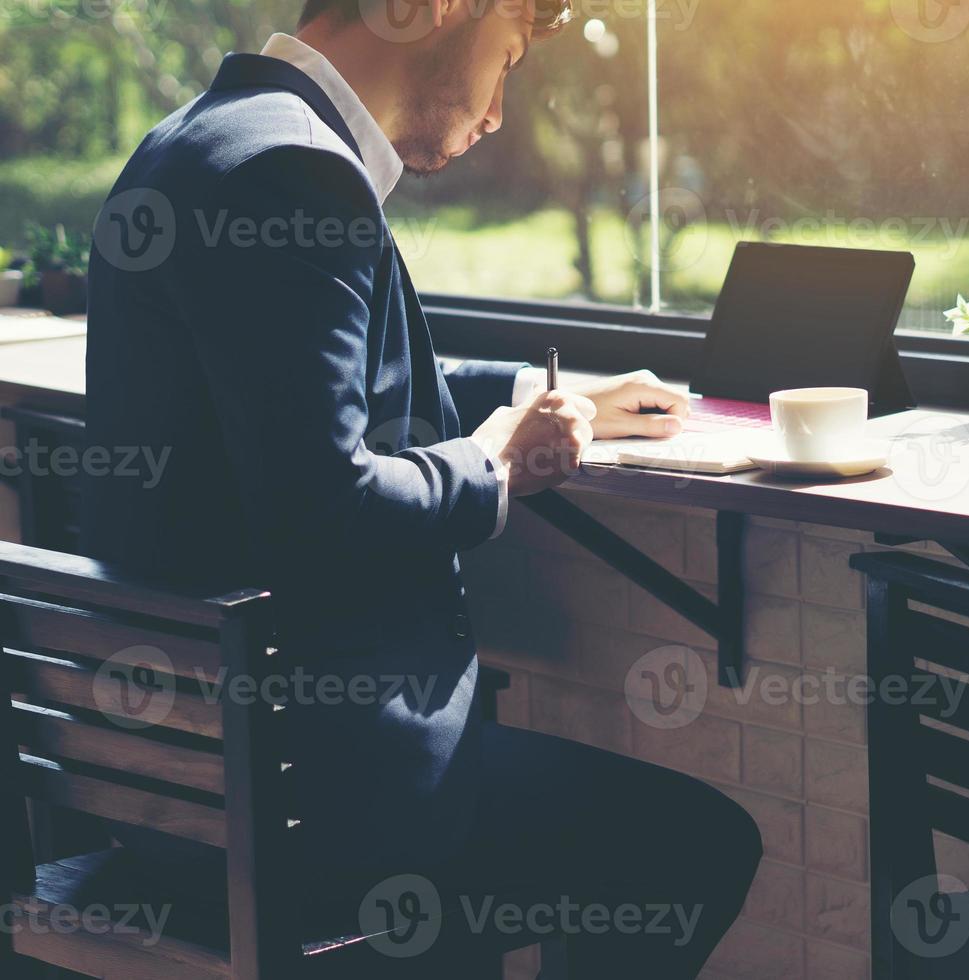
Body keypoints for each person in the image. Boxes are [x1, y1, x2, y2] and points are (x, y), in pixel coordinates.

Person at [82, 1, 761, 974]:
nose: (496, 110)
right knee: (692, 843)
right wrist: (499, 465)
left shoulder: (196, 142)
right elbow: (329, 504)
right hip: (314, 810)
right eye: (510, 56)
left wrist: (548, 398)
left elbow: (325, 399)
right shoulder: (294, 171)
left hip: (173, 789)